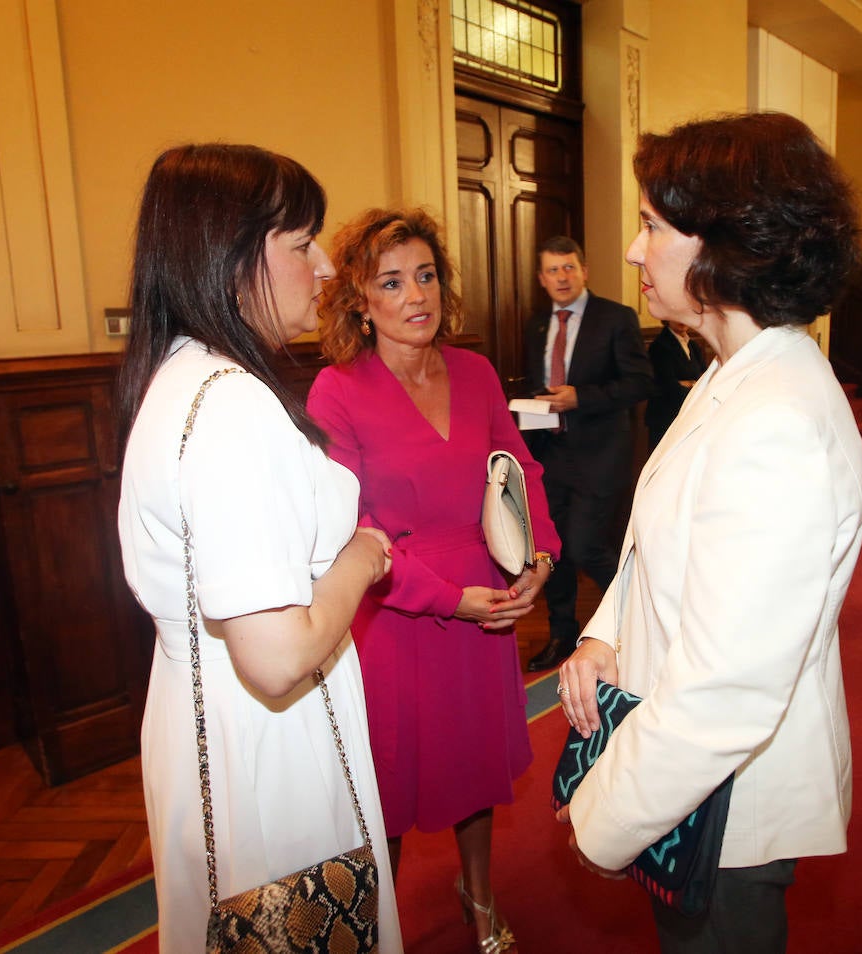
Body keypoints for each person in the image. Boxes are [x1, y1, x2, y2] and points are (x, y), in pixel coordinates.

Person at [554, 112, 862, 954]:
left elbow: (724, 696)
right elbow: (658, 547)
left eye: (652, 225)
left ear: (726, 244)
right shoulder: (731, 372)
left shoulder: (776, 421)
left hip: (726, 807)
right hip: (692, 785)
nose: (632, 249)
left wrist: (601, 816)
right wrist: (602, 636)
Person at [116, 145, 403, 953]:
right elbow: (276, 658)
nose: (321, 269)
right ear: (231, 253)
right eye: (301, 244)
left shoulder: (179, 376)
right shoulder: (230, 407)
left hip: (214, 721)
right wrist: (364, 557)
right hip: (267, 747)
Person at [307, 208, 559, 954]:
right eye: (392, 282)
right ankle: (378, 922)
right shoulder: (337, 390)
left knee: (475, 772)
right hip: (394, 612)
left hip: (488, 606)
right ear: (359, 300)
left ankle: (478, 897)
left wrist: (539, 560)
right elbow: (344, 531)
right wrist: (446, 598)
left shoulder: (477, 373)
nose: (415, 296)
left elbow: (522, 474)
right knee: (386, 784)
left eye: (425, 276)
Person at [522, 236, 654, 672]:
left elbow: (639, 383)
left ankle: (638, 617)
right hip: (549, 456)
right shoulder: (538, 325)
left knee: (586, 546)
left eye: (569, 268)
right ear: (542, 279)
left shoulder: (616, 318)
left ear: (584, 271)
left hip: (599, 457)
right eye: (552, 270)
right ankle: (563, 634)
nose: (561, 277)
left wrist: (583, 397)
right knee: (553, 552)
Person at [646, 320, 708, 449]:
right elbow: (668, 384)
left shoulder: (693, 345)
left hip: (688, 413)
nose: (681, 320)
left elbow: (705, 377)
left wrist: (689, 383)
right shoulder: (659, 346)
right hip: (666, 417)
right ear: (667, 318)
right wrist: (696, 385)